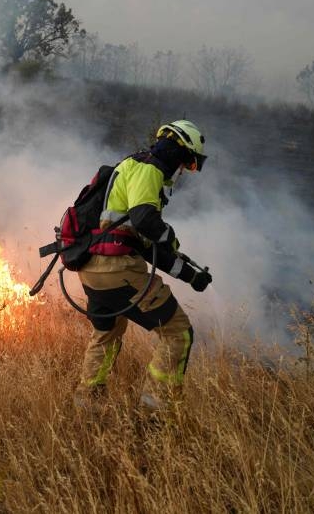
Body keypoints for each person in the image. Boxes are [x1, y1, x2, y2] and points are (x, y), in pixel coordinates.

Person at [74, 120, 213, 412]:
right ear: (179, 151)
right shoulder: (150, 169)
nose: (185, 171)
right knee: (178, 332)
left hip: (92, 270)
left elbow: (146, 247)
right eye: (188, 163)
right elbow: (144, 221)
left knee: (107, 335)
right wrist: (169, 235)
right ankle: (155, 409)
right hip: (119, 270)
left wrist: (191, 276)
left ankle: (88, 405)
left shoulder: (129, 167)